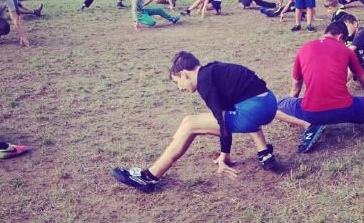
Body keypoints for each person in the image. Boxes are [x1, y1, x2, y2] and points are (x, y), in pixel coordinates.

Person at [111, 51, 279, 192]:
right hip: (269, 102)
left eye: (178, 82)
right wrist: (225, 154)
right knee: (191, 120)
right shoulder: (213, 69)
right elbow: (230, 105)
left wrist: (223, 154)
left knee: (191, 124)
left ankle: (149, 177)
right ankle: (264, 152)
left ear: (184, 74)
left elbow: (221, 122)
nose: (180, 88)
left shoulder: (205, 83)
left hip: (254, 110)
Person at [273, 22, 364, 153]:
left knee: (274, 105)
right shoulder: (347, 51)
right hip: (345, 109)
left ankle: (307, 124)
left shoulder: (303, 49)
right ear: (340, 37)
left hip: (311, 112)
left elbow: (296, 87)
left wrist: (293, 108)